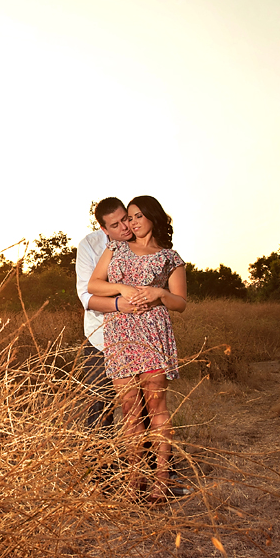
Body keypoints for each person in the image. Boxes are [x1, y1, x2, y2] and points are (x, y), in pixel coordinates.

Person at [87, 195, 187, 504]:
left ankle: (160, 479)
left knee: (156, 407)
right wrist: (122, 288)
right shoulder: (115, 248)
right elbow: (93, 285)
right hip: (119, 332)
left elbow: (181, 303)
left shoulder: (170, 257)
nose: (132, 222)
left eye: (138, 215)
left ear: (154, 218)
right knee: (129, 410)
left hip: (152, 331)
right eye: (129, 217)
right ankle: (134, 480)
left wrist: (160, 292)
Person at [75, 197, 145, 430]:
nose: (125, 227)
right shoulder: (90, 246)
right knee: (99, 407)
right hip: (100, 338)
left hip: (137, 336)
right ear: (104, 229)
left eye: (125, 219)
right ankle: (97, 465)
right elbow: (87, 297)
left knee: (143, 406)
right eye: (115, 225)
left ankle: (151, 463)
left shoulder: (142, 237)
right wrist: (118, 304)